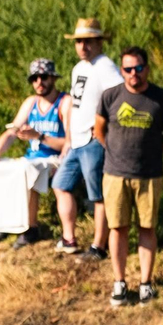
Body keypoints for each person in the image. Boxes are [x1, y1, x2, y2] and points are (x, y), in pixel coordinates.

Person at [95, 46, 163, 308]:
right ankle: (119, 282)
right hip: (115, 174)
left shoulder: (161, 98)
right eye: (128, 69)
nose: (134, 74)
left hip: (150, 175)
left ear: (147, 69)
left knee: (147, 228)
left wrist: (152, 155)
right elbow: (99, 130)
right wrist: (115, 154)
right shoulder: (110, 96)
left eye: (138, 68)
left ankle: (145, 283)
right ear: (122, 71)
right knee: (117, 228)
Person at [0, 59, 67, 248]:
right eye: (34, 78)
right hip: (31, 157)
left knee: (28, 171)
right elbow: (12, 132)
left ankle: (30, 228)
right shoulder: (31, 103)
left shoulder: (64, 102)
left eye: (43, 77)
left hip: (54, 158)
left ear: (52, 78)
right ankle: (5, 224)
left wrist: (39, 136)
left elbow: (68, 143)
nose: (39, 82)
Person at [54, 18, 120, 259]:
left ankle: (98, 246)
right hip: (77, 139)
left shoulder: (105, 66)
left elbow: (119, 96)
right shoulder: (79, 68)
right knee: (61, 184)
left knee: (98, 195)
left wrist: (103, 124)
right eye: (79, 41)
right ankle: (69, 237)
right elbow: (76, 105)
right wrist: (69, 136)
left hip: (94, 141)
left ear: (99, 42)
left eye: (88, 41)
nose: (83, 46)